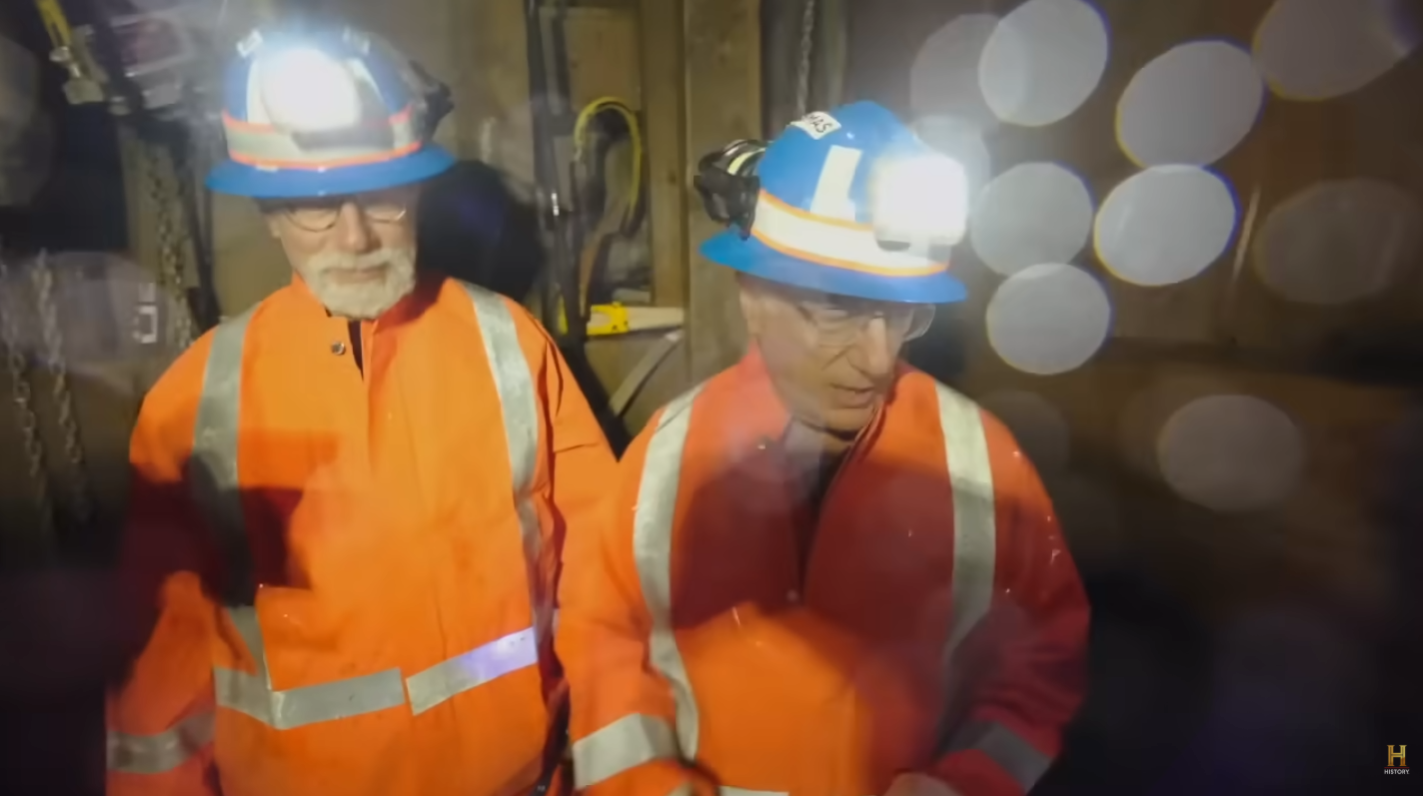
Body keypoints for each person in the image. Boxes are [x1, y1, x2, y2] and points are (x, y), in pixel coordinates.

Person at [105, 24, 615, 796]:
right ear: (270, 214)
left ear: (415, 191)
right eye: (314, 206)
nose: (353, 235)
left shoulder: (509, 344)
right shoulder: (195, 401)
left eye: (380, 195)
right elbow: (157, 685)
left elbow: (604, 579)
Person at [557, 102, 1089, 796]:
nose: (877, 358)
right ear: (753, 295)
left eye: (901, 313)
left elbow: (1043, 658)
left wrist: (969, 783)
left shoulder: (982, 462)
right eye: (840, 309)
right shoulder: (665, 457)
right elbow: (602, 640)